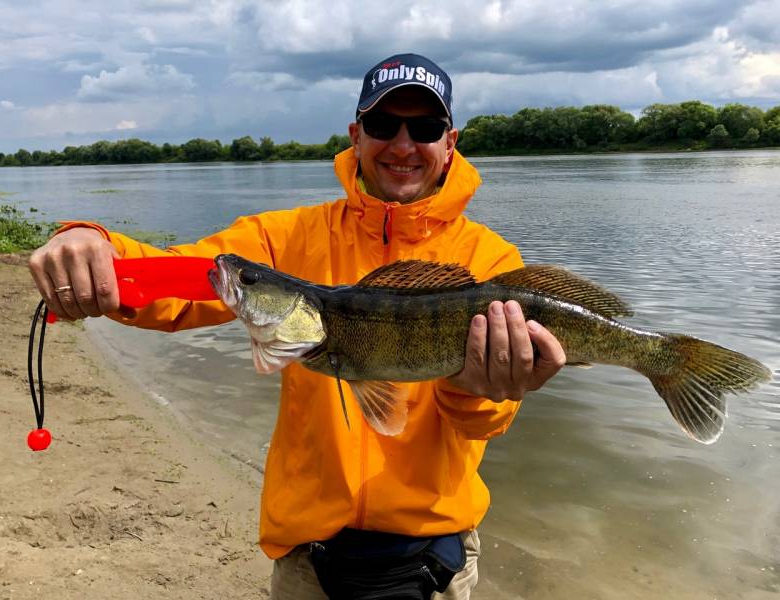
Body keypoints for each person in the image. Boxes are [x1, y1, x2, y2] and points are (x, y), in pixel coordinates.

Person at [28, 53, 566, 599]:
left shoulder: (492, 262)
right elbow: (189, 278)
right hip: (309, 559)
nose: (402, 146)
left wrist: (483, 392)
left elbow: (483, 424)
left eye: (424, 128)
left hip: (434, 560)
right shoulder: (287, 239)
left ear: (449, 143)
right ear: (356, 136)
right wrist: (94, 245)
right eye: (383, 126)